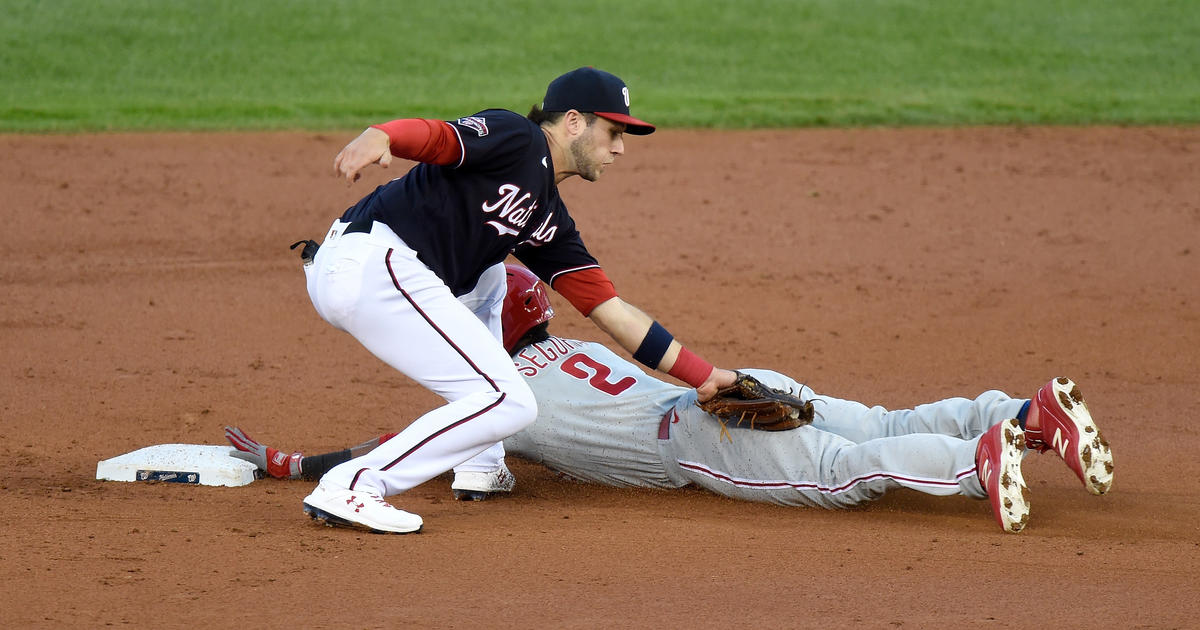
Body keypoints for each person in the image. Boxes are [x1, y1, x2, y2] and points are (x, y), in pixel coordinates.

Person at [228, 265, 1115, 534]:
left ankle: (976, 462)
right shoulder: (566, 348)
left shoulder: (495, 406)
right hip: (728, 387)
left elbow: (393, 450)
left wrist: (290, 463)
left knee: (845, 471)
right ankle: (1023, 415)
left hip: (700, 441)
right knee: (879, 420)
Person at [290, 68, 737, 534]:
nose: (620, 147)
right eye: (613, 132)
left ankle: (481, 463)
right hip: (370, 263)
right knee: (510, 401)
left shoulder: (548, 219)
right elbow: (441, 138)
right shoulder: (519, 138)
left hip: (376, 273)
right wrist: (383, 134)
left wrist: (704, 378)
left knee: (490, 281)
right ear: (573, 122)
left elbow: (613, 312)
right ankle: (356, 485)